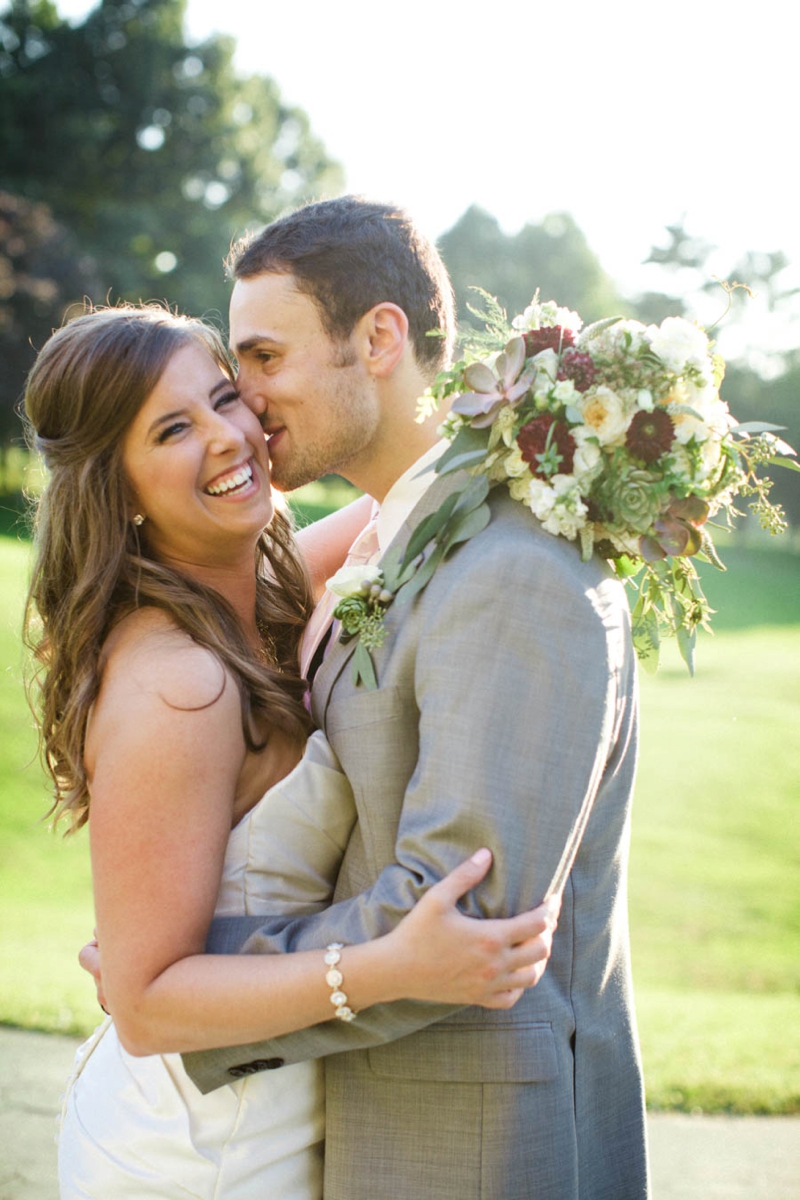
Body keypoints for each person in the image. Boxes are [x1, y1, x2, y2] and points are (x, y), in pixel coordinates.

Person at [22, 303, 559, 1199]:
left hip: (281, 1108)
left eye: (226, 398)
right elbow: (148, 1005)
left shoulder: (269, 588)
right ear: (118, 491)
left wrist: (579, 411)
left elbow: (409, 494)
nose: (231, 437)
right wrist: (395, 967)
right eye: (173, 430)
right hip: (200, 1155)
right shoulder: (177, 685)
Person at [176, 197, 650, 1199]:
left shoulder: (512, 570)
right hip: (378, 1126)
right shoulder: (404, 538)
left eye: (265, 358)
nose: (242, 398)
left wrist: (198, 980)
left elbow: (461, 920)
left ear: (378, 338)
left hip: (480, 1144)